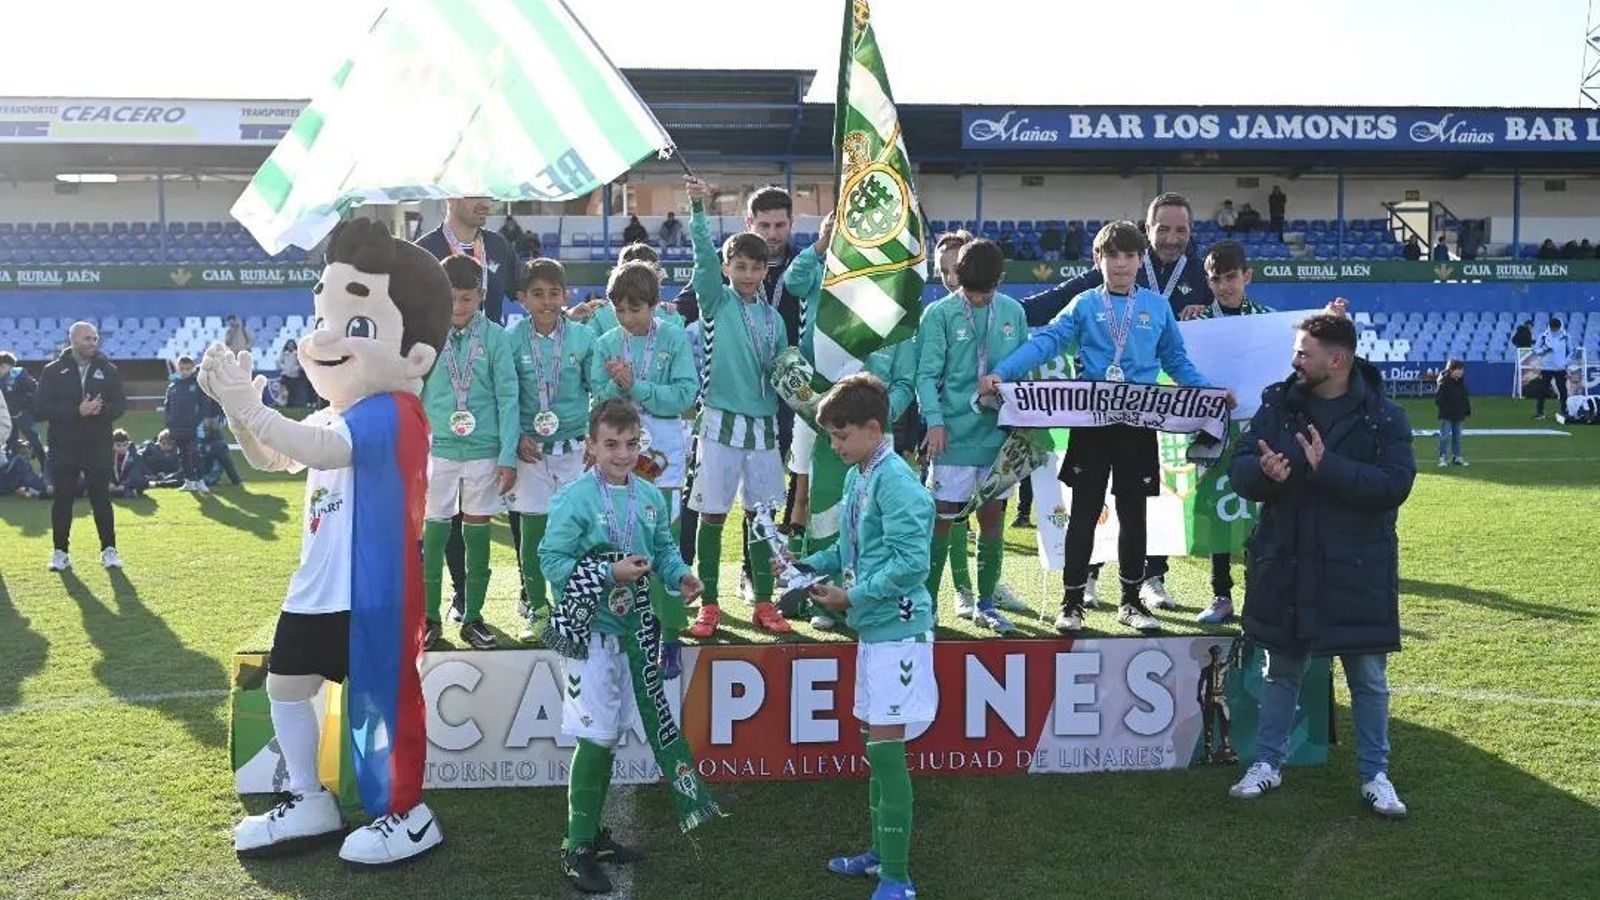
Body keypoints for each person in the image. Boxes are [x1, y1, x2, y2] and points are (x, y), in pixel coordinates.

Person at [213, 217, 453, 866]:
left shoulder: (395, 410)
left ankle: (407, 814)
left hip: (370, 593)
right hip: (316, 588)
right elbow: (274, 457)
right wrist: (239, 412)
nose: (324, 337)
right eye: (324, 317)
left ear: (416, 356)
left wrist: (255, 410)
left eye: (357, 325)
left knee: (382, 706)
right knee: (287, 685)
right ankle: (308, 799)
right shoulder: (334, 411)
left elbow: (321, 449)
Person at [983, 221, 1227, 635]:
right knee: (1084, 513)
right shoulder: (1083, 304)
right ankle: (1072, 602)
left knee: (1134, 515)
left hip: (1138, 425)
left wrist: (1209, 394)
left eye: (1130, 256)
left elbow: (1177, 361)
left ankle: (1131, 601)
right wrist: (1002, 372)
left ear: (1141, 260)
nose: (1121, 264)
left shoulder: (1155, 306)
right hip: (1092, 425)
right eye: (1112, 255)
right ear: (1098, 259)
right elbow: (1047, 342)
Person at [1226, 313, 1415, 819]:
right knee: (1281, 670)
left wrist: (1327, 467)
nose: (1294, 361)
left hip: (1357, 567)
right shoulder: (1276, 404)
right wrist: (1263, 473)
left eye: (1303, 353)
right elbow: (1240, 467)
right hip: (1287, 559)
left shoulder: (1384, 417)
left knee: (1367, 676)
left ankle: (1375, 775)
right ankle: (1267, 762)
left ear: (1337, 360)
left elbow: (1394, 485)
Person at [539, 399, 715, 894]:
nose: (622, 454)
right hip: (588, 636)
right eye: (611, 444)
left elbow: (663, 550)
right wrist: (607, 572)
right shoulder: (574, 498)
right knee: (596, 736)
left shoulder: (650, 496)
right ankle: (575, 849)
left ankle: (592, 835)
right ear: (590, 447)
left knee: (611, 732)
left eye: (631, 444)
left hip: (633, 635)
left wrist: (680, 576)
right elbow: (551, 561)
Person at [786, 373, 936, 900]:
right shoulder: (861, 473)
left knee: (888, 754)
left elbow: (912, 565)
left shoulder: (897, 481)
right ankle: (880, 853)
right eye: (831, 436)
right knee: (877, 749)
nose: (834, 446)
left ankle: (898, 877)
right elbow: (850, 550)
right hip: (875, 631)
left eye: (840, 435)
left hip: (900, 634)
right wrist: (807, 565)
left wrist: (851, 597)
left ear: (874, 429)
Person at [682, 175, 793, 637]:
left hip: (763, 429)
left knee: (762, 516)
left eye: (755, 267)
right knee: (712, 514)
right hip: (720, 425)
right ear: (727, 268)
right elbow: (702, 258)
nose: (747, 274)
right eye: (739, 266)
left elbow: (783, 373)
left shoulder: (773, 320)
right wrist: (698, 209)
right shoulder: (716, 303)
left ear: (766, 271)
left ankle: (764, 602)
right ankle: (709, 603)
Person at [416, 197, 523, 621]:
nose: (459, 307)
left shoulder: (499, 251)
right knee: (437, 532)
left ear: (480, 295)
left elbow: (508, 398)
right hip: (441, 440)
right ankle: (437, 612)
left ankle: (479, 612)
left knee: (481, 532)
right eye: (451, 299)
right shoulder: (423, 254)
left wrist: (507, 454)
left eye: (467, 299)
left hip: (484, 437)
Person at [917, 238, 1029, 634]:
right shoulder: (939, 313)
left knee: (992, 519)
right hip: (952, 436)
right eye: (971, 291)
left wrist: (1022, 420)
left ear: (1001, 279)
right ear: (957, 277)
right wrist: (934, 422)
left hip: (997, 438)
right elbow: (926, 375)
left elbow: (1023, 369)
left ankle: (986, 604)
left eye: (986, 292)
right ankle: (928, 605)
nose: (978, 299)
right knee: (943, 519)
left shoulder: (1013, 312)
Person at [589, 260, 697, 666]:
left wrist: (636, 386)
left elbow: (685, 395)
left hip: (662, 453)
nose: (627, 317)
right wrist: (615, 386)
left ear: (654, 304)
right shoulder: (606, 343)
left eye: (635, 309)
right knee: (621, 538)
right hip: (618, 454)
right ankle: (626, 628)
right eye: (619, 309)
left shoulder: (674, 337)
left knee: (663, 539)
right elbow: (598, 401)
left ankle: (670, 633)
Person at [507, 258, 597, 642]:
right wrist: (515, 435)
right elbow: (506, 396)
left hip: (575, 448)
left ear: (566, 295)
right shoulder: (511, 340)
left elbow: (597, 389)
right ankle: (538, 607)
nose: (547, 302)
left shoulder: (583, 338)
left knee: (574, 531)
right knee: (533, 532)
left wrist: (595, 436)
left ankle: (571, 606)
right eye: (538, 294)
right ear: (522, 298)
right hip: (531, 451)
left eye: (554, 293)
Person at [1191, 241, 1275, 625]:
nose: (1224, 286)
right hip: (1213, 431)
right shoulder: (1197, 323)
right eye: (1216, 279)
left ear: (1247, 276)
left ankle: (1259, 594)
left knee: (1259, 514)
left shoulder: (1269, 320)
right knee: (1217, 509)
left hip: (1257, 431)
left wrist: (1330, 316)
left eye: (1231, 277)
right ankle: (1221, 594)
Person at [36, 321, 125, 571]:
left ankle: (109, 550)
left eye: (95, 338)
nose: (93, 343)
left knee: (101, 499)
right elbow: (41, 408)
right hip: (64, 447)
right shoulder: (52, 371)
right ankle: (60, 552)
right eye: (87, 338)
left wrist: (101, 410)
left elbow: (120, 404)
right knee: (62, 500)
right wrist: (77, 411)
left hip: (97, 446)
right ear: (73, 340)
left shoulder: (109, 370)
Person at [416, 197, 519, 326]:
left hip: (491, 339)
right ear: (451, 197)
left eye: (488, 198)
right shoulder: (422, 252)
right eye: (476, 196)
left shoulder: (499, 245)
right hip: (441, 339)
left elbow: (524, 291)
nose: (486, 205)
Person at [165, 355, 210, 495]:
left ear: (192, 369)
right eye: (182, 368)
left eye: (187, 369)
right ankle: (189, 481)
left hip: (193, 427)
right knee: (182, 454)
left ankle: (200, 481)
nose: (184, 371)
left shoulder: (197, 385)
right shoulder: (172, 386)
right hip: (177, 427)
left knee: (195, 453)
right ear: (178, 369)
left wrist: (196, 421)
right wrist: (170, 421)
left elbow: (205, 406)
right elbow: (167, 406)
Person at [0, 351, 45, 466]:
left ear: (6, 365)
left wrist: (29, 406)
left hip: (23, 415)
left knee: (35, 442)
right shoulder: (2, 378)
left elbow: (35, 390)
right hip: (8, 419)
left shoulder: (19, 374)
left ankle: (45, 468)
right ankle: (14, 471)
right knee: (10, 446)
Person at [1530, 317, 1571, 423]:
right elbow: (1535, 349)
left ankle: (1564, 411)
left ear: (1559, 327)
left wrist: (1565, 362)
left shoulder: (1565, 336)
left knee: (1562, 390)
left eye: (1555, 328)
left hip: (1560, 368)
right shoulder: (1543, 336)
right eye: (1552, 328)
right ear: (1550, 326)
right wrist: (1544, 350)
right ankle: (1540, 413)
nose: (1554, 330)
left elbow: (1571, 351)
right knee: (1542, 390)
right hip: (1546, 367)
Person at [1434, 359, 1471, 467]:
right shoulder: (1444, 382)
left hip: (1459, 414)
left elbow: (1464, 397)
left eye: (1462, 370)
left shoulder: (1461, 383)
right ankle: (1442, 458)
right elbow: (1438, 399)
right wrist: (1446, 408)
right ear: (1452, 370)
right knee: (1444, 437)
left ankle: (1457, 457)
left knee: (1457, 437)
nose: (1461, 372)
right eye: (1459, 369)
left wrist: (1467, 409)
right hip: (1446, 414)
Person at [108, 429, 149, 497]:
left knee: (144, 480)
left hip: (128, 482)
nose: (122, 448)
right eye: (118, 445)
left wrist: (125, 485)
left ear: (128, 444)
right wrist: (109, 483)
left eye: (125, 445)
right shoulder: (108, 456)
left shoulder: (135, 456)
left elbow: (135, 474)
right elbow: (104, 472)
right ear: (112, 445)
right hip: (114, 483)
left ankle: (129, 491)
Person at [279, 339, 311, 408]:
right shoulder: (284, 353)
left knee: (293, 391)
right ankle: (282, 403)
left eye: (292, 345)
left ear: (294, 346)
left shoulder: (297, 354)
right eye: (289, 345)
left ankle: (291, 405)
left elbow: (301, 363)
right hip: (285, 374)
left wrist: (296, 368)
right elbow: (280, 362)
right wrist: (284, 367)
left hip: (294, 375)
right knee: (284, 389)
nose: (290, 346)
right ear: (287, 345)